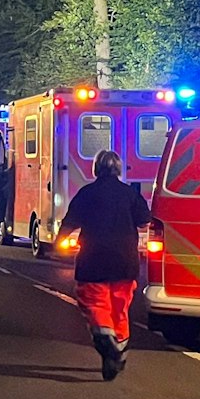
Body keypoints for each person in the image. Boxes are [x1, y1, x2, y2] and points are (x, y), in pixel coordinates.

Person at [58, 149, 152, 381]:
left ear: (96, 169)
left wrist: (60, 240)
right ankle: (119, 350)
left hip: (94, 259)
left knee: (96, 302)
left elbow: (70, 222)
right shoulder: (130, 194)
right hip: (125, 261)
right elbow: (144, 220)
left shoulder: (87, 193)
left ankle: (107, 343)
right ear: (118, 169)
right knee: (120, 308)